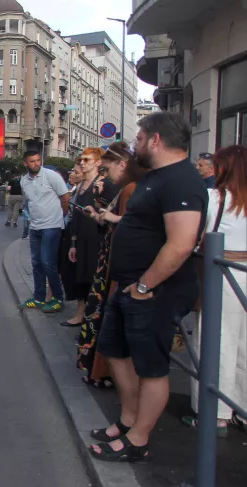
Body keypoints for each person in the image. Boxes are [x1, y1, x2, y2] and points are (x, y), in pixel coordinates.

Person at [89, 112, 206, 463]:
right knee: (114, 350)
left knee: (151, 367)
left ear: (155, 140)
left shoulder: (182, 181)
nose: (135, 144)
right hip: (129, 287)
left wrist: (144, 286)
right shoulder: (156, 178)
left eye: (139, 138)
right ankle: (128, 420)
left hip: (154, 291)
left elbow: (182, 243)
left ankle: (138, 439)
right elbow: (141, 223)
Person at [185, 145, 247, 436]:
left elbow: (197, 235)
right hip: (244, 275)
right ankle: (242, 410)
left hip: (222, 276)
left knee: (216, 340)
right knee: (245, 345)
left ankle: (216, 413)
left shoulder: (215, 198)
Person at [76, 142, 147, 389]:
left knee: (106, 317)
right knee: (100, 314)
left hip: (116, 263)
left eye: (108, 168)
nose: (107, 175)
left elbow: (134, 224)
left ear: (123, 165)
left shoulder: (128, 189)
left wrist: (110, 217)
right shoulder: (126, 188)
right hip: (109, 258)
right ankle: (99, 370)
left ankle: (103, 373)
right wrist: (99, 216)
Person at [18, 150, 69, 313]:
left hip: (52, 226)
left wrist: (61, 216)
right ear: (26, 163)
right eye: (32, 161)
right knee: (36, 263)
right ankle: (39, 297)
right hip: (35, 227)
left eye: (38, 160)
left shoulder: (51, 175)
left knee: (48, 262)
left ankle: (58, 298)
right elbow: (30, 201)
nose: (36, 164)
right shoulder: (24, 180)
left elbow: (65, 198)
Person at [64, 148, 105, 327]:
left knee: (93, 278)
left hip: (96, 239)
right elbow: (75, 217)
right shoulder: (79, 187)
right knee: (79, 277)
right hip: (79, 239)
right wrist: (73, 243)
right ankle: (81, 314)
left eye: (87, 160)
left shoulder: (103, 185)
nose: (81, 162)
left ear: (98, 163)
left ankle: (93, 318)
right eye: (81, 159)